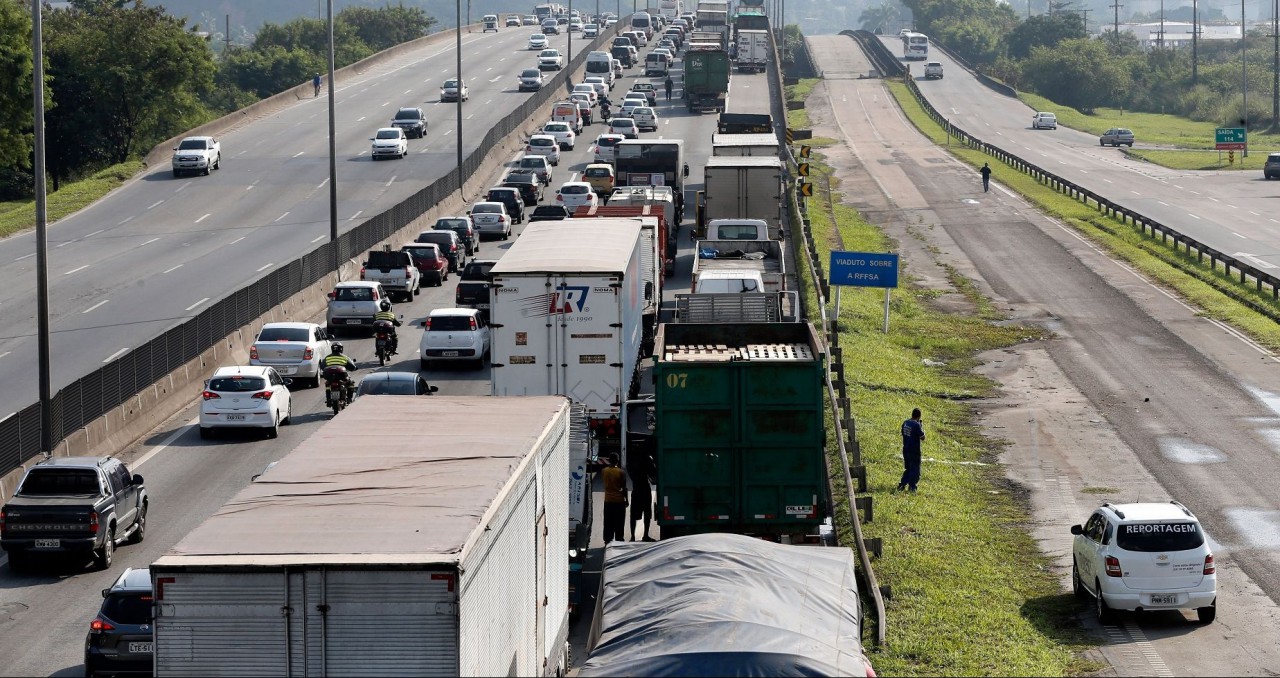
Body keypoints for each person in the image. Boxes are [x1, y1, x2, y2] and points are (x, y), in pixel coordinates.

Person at [627, 448, 656, 541]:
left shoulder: (631, 462)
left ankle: (632, 536)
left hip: (636, 490)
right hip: (645, 489)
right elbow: (653, 474)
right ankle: (645, 535)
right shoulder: (647, 460)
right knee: (647, 513)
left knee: (633, 515)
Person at [600, 453, 628, 544]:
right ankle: (619, 538)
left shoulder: (604, 471)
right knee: (619, 522)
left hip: (608, 500)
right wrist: (626, 500)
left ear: (609, 460)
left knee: (608, 521)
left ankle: (608, 539)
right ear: (618, 460)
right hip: (619, 501)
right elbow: (624, 488)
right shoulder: (621, 472)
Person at [898, 408, 926, 492]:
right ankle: (912, 487)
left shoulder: (905, 423)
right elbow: (923, 437)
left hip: (906, 449)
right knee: (915, 470)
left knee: (909, 468)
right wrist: (921, 426)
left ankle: (902, 484)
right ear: (919, 416)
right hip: (914, 450)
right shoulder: (916, 425)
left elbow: (903, 433)